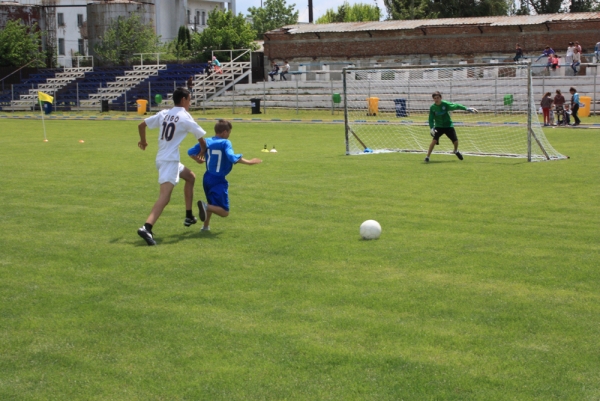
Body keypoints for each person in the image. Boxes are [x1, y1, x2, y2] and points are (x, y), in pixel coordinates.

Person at [136, 87, 207, 246]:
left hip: (163, 159)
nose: (190, 103)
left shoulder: (164, 113)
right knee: (165, 196)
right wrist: (201, 152)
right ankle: (147, 227)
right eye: (189, 100)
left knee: (190, 177)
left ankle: (189, 215)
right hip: (170, 161)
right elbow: (202, 139)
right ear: (183, 100)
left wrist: (144, 141)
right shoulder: (185, 117)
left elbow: (141, 126)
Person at [187, 119, 262, 231]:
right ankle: (205, 206)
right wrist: (249, 162)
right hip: (218, 179)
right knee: (224, 212)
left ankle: (205, 227)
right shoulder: (225, 143)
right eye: (229, 132)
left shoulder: (206, 141)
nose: (229, 135)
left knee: (212, 203)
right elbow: (231, 157)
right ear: (224, 132)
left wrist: (196, 159)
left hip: (207, 177)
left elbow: (190, 151)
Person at [425, 91, 477, 163]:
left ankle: (455, 151)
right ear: (433, 99)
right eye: (435, 98)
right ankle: (427, 157)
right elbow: (430, 119)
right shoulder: (432, 107)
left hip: (448, 126)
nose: (436, 99)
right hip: (438, 126)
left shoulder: (445, 104)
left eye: (438, 98)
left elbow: (456, 106)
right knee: (434, 141)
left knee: (455, 141)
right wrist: (432, 128)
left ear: (440, 98)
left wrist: (466, 108)